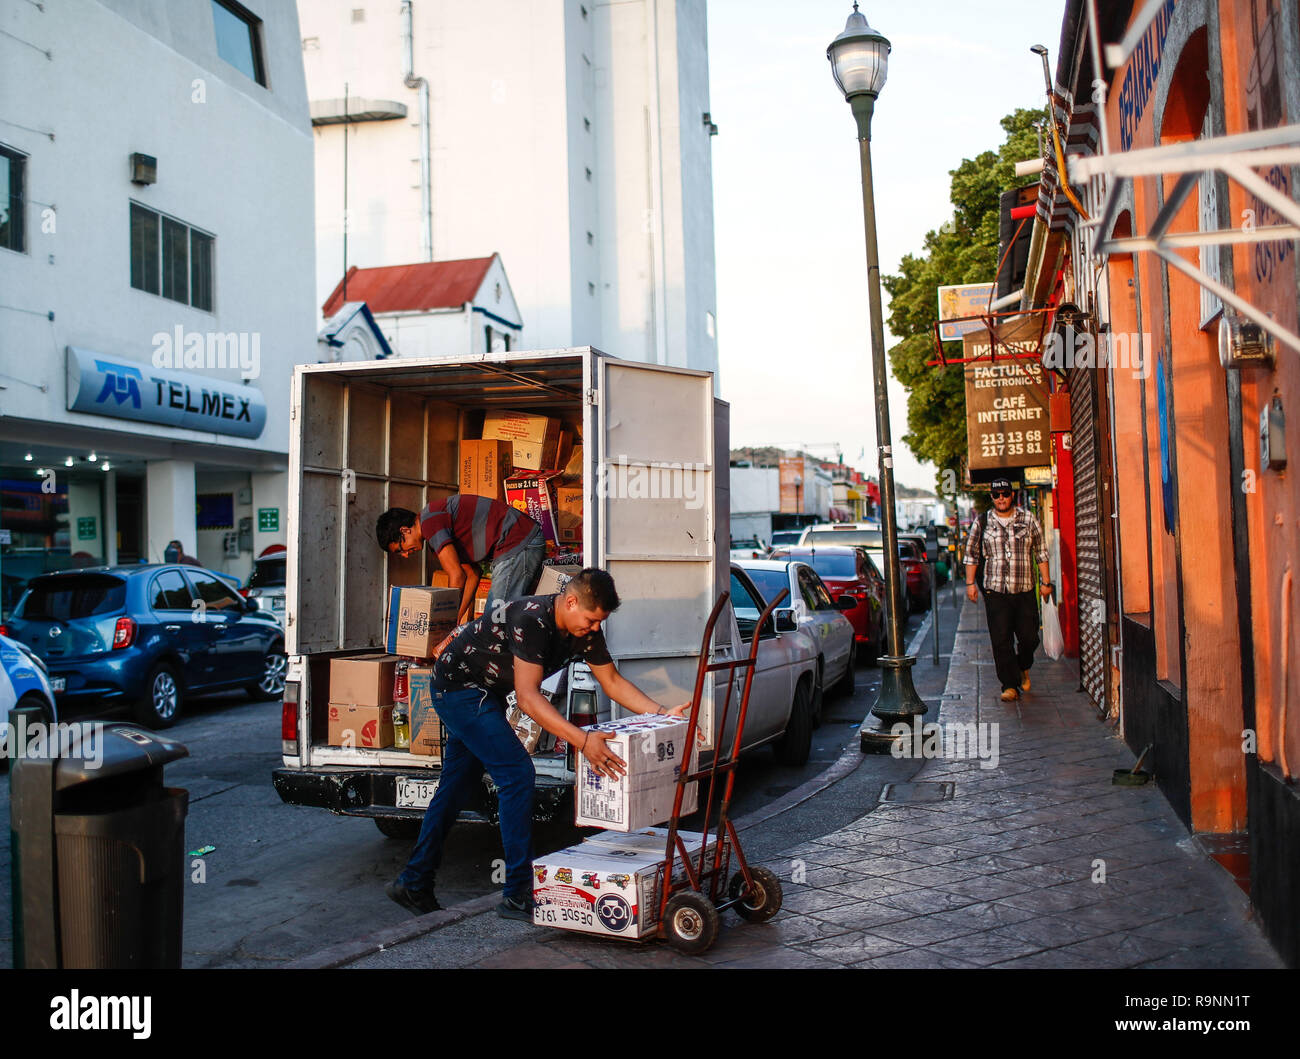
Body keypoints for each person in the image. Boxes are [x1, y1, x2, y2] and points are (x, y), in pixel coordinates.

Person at [384, 568, 690, 920]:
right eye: (591, 620)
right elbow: (529, 698)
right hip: (458, 690)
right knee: (517, 775)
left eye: (598, 622)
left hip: (486, 692)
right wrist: (582, 740)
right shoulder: (532, 619)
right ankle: (517, 894)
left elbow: (613, 682)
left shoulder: (584, 630)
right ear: (571, 602)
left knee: (456, 787)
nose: (593, 628)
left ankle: (413, 882)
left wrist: (664, 713)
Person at [376, 497, 546, 623]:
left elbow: (456, 576)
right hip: (519, 545)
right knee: (497, 620)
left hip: (518, 541)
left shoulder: (430, 522)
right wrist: (455, 618)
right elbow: (471, 574)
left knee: (494, 620)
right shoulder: (433, 538)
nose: (405, 555)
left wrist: (444, 620)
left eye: (400, 549)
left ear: (405, 531)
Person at [964, 478, 1052, 702]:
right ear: (991, 498)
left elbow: (1040, 551)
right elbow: (971, 555)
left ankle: (1023, 666)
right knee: (1001, 640)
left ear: (1012, 495)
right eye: (996, 495)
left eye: (1005, 493)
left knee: (1030, 638)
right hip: (995, 591)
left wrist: (1046, 582)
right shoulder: (982, 522)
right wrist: (970, 583)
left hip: (1024, 590)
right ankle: (1009, 685)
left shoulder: (1028, 518)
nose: (1001, 498)